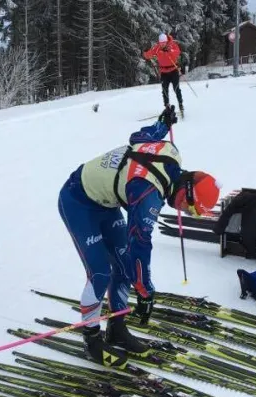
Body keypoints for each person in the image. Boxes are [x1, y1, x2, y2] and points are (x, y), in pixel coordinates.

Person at [57, 106, 220, 366]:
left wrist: (162, 125)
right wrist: (145, 292)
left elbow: (140, 137)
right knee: (100, 272)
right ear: (185, 193)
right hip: (78, 200)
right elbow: (140, 246)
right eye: (188, 207)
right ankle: (91, 340)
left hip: (105, 203)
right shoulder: (147, 196)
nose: (182, 211)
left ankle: (116, 328)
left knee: (122, 267)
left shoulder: (172, 154)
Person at [143, 34, 186, 118]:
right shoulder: (157, 48)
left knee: (176, 88)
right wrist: (145, 52)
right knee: (165, 90)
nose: (162, 44)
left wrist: (169, 51)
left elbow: (177, 53)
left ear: (166, 41)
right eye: (161, 43)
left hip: (173, 70)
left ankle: (181, 105)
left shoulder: (172, 45)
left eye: (164, 43)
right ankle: (167, 106)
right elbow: (148, 55)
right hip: (164, 72)